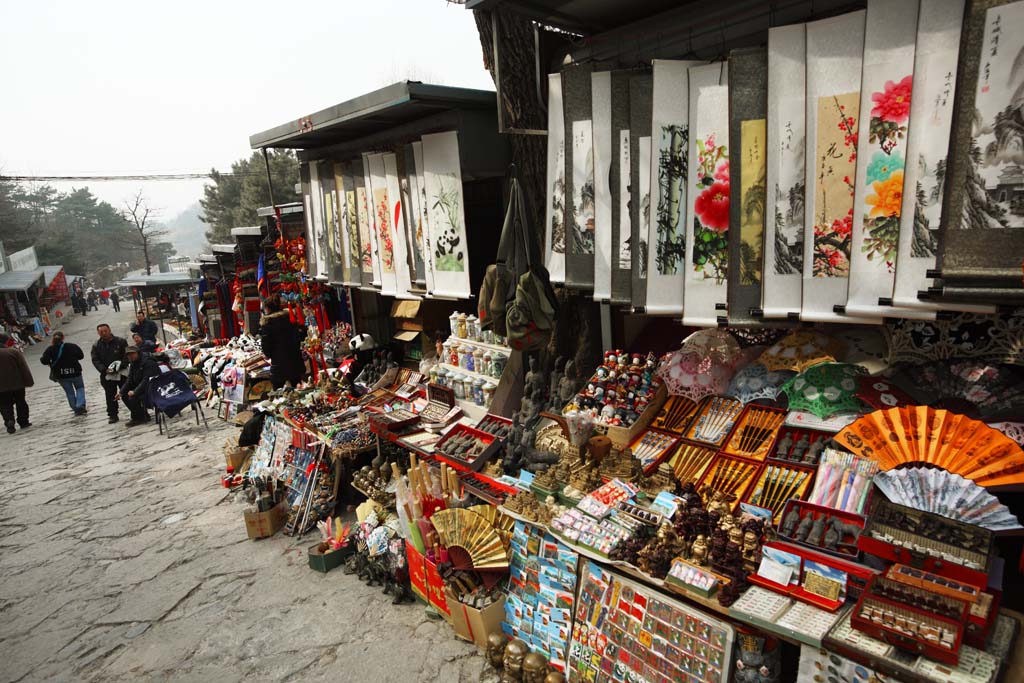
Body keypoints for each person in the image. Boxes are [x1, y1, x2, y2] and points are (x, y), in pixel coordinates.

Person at [259, 294, 306, 389]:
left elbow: (266, 347)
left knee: (278, 393)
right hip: (295, 362)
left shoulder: (267, 323)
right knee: (299, 390)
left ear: (268, 308)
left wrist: (269, 355)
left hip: (279, 365)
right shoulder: (290, 318)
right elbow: (299, 337)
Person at [40, 331, 87, 416]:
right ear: (63, 338)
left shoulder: (50, 349)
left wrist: (51, 362)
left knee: (69, 392)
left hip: (61, 375)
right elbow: (81, 356)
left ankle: (76, 408)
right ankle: (80, 404)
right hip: (75, 372)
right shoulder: (72, 346)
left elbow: (44, 360)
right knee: (80, 387)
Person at [91, 323, 128, 423]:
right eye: (101, 332)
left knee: (125, 392)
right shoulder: (96, 345)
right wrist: (104, 369)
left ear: (109, 330)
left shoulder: (120, 342)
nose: (104, 333)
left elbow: (126, 355)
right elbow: (95, 360)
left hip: (121, 372)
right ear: (98, 333)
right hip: (107, 374)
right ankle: (112, 415)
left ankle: (136, 412)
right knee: (110, 395)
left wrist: (120, 366)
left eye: (105, 331)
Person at [118, 346, 160, 427]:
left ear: (138, 353)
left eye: (132, 354)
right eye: (129, 355)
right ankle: (141, 415)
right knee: (125, 395)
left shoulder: (148, 362)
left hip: (152, 387)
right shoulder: (133, 364)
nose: (131, 356)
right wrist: (120, 392)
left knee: (133, 397)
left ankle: (138, 418)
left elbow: (146, 380)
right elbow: (129, 380)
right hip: (142, 386)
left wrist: (135, 391)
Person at [0, 333, 33, 433]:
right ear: (6, 341)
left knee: (4, 405)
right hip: (17, 383)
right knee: (21, 402)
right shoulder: (13, 352)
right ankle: (23, 421)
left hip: (1, 387)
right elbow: (23, 367)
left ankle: (9, 420)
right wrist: (28, 381)